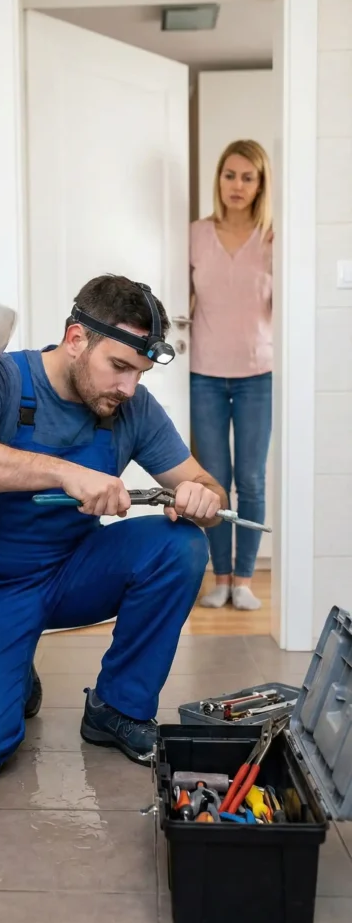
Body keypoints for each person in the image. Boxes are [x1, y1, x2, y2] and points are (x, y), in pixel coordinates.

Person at [0, 275, 227, 780]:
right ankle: (13, 665)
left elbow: (205, 486)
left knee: (180, 545)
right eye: (120, 367)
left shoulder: (132, 406)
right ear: (76, 339)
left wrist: (203, 497)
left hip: (75, 574)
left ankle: (117, 709)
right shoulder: (2, 378)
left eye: (140, 374)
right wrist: (64, 471)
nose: (129, 387)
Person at [190, 139, 273, 611]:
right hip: (203, 372)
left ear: (260, 185)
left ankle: (243, 579)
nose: (237, 186)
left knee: (252, 481)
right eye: (229, 175)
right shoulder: (195, 234)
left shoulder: (273, 237)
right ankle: (218, 577)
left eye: (248, 177)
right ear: (218, 179)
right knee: (213, 480)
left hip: (257, 373)